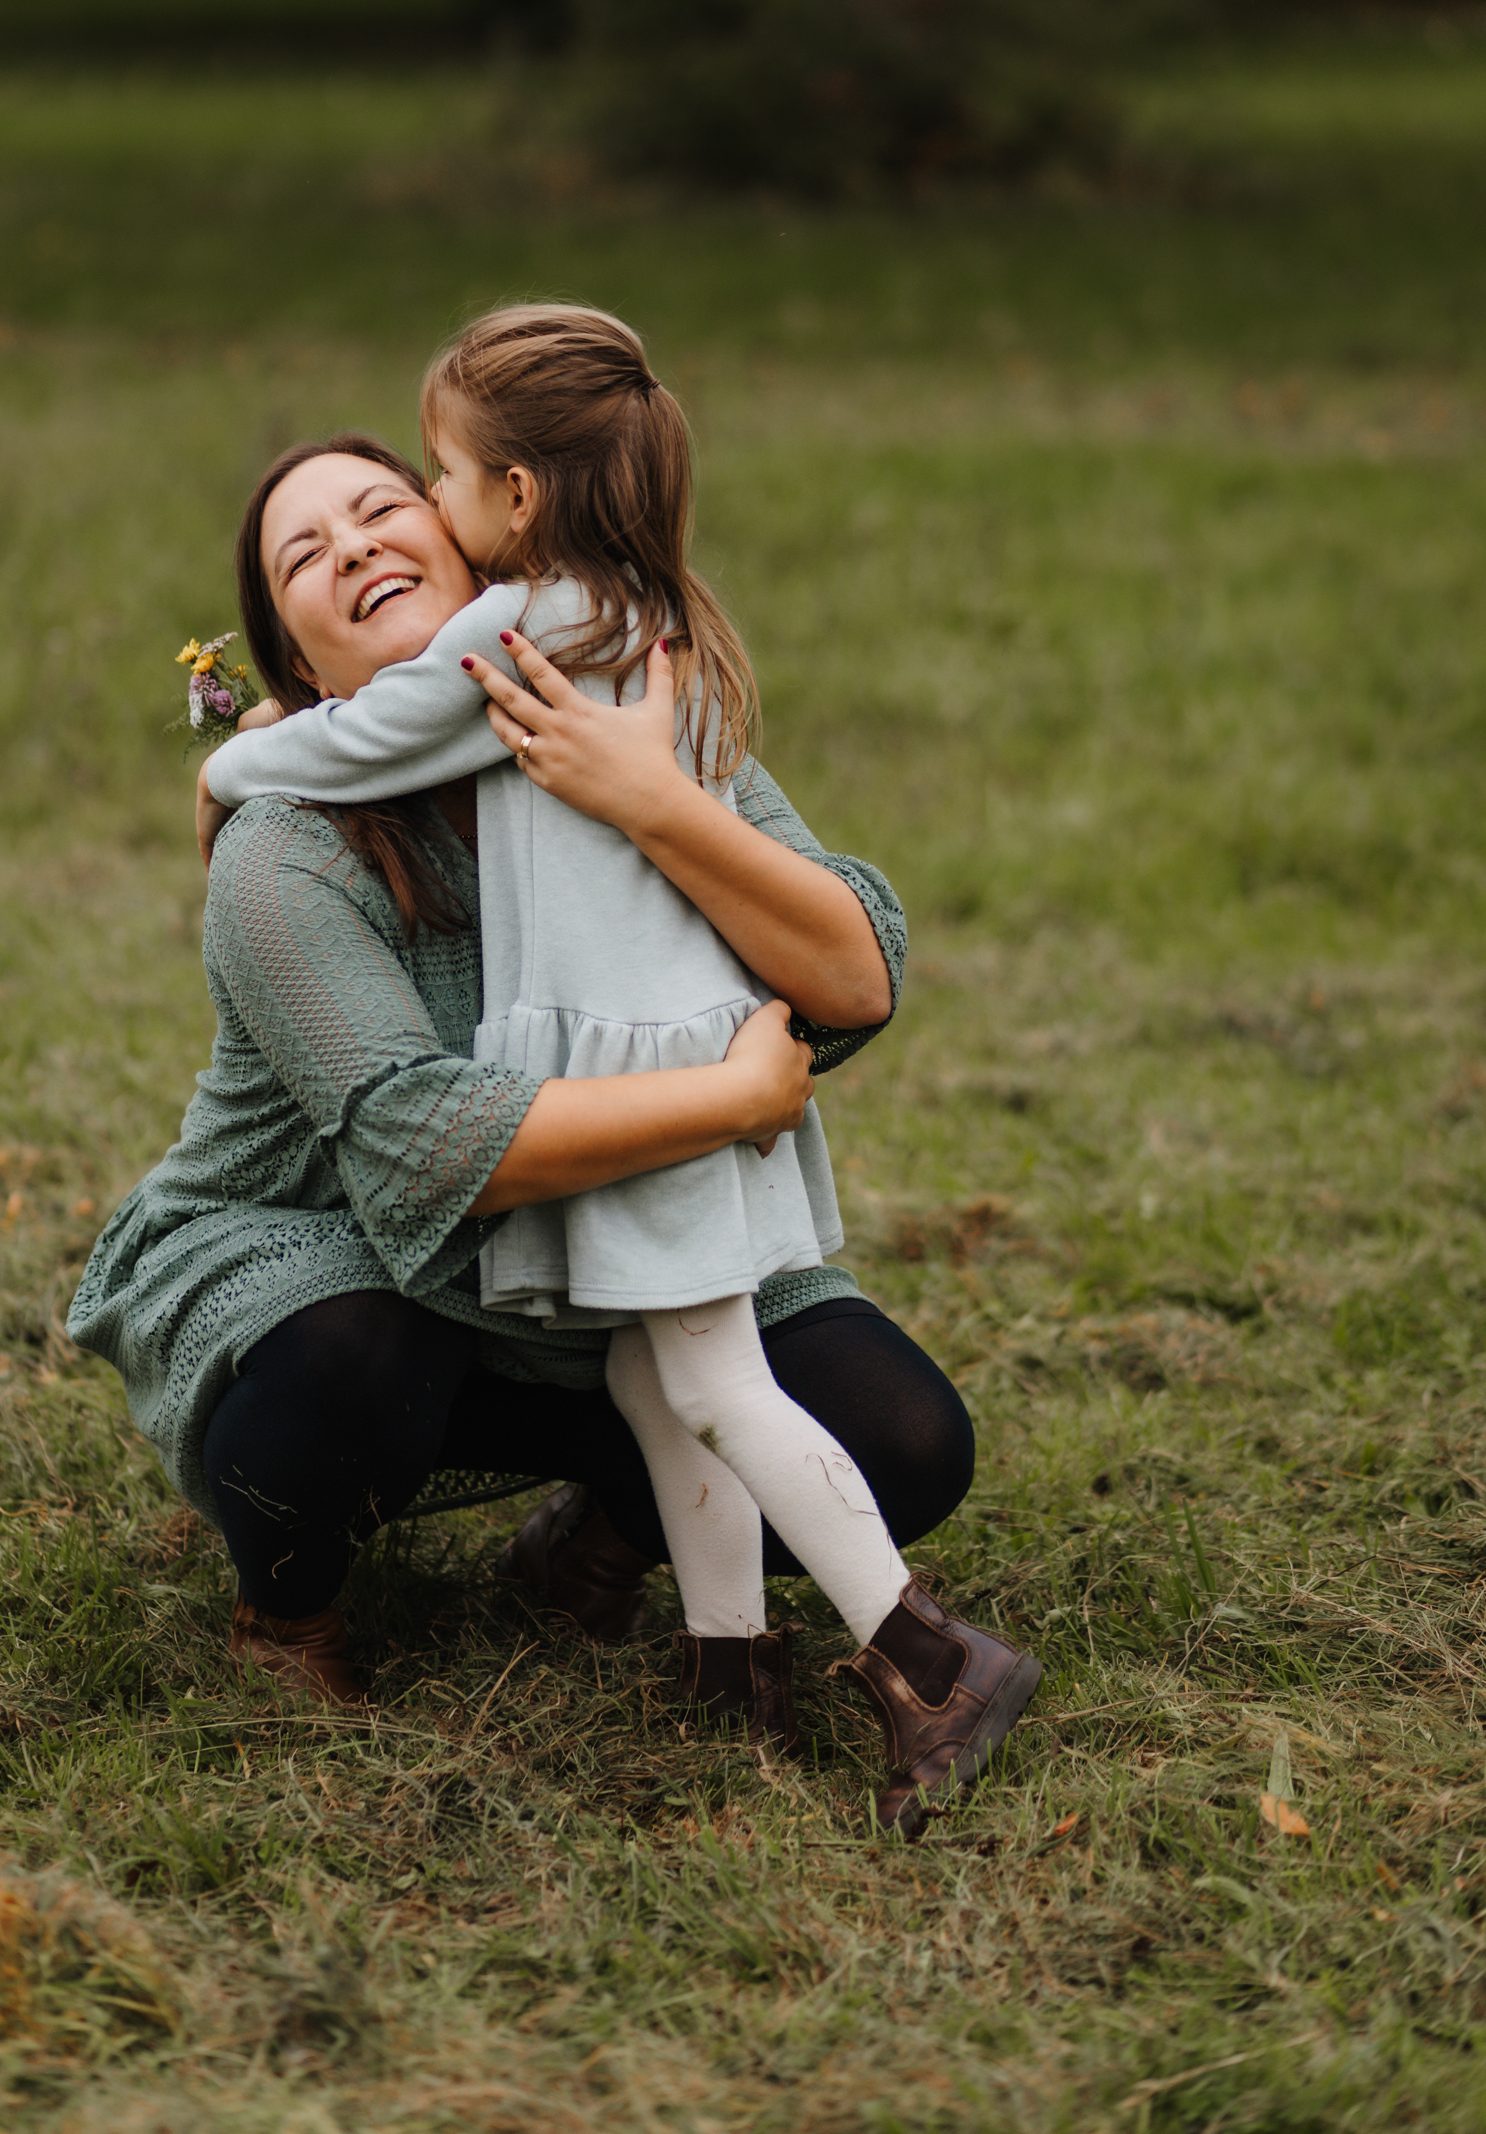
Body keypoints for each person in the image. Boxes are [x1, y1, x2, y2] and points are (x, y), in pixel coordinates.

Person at [70, 426, 1032, 1836]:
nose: (351, 548)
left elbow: (853, 972)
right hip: (336, 1247)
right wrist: (735, 1098)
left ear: (476, 545)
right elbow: (418, 1147)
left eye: (382, 508)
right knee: (351, 1356)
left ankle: (601, 1544)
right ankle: (291, 1612)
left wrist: (652, 796)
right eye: (304, 554)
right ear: (302, 674)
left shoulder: (616, 707)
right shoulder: (288, 850)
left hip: (610, 1240)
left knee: (905, 1436)